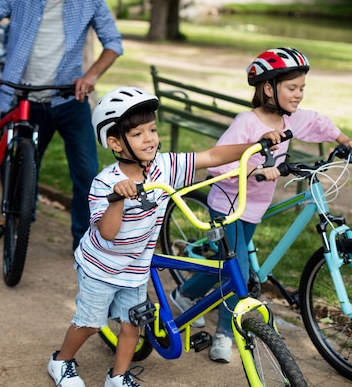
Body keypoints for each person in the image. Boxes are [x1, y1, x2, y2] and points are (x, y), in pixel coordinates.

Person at [48, 86, 287, 387]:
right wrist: (117, 199)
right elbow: (108, 233)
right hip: (102, 269)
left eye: (152, 129)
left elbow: (212, 155)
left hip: (135, 268)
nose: (149, 138)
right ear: (115, 142)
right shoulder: (105, 182)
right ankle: (60, 361)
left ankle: (118, 376)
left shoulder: (165, 166)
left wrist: (254, 144)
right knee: (90, 325)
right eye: (137, 134)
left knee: (132, 326)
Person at [170, 47, 352, 364]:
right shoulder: (247, 123)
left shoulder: (289, 118)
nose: (298, 95)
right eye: (292, 88)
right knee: (237, 271)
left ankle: (183, 294)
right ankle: (227, 334)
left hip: (252, 210)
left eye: (302, 88)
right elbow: (217, 164)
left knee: (226, 265)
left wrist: (344, 141)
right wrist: (254, 170)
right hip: (228, 205)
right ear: (268, 88)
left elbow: (319, 123)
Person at [0, 0, 123, 252]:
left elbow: (113, 43)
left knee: (86, 172)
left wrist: (91, 76)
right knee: (23, 169)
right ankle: (20, 226)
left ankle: (82, 241)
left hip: (69, 98)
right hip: (25, 99)